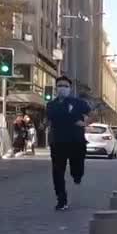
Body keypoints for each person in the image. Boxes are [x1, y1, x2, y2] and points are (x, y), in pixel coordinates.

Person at [46, 76, 91, 211]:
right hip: (58, 143)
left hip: (76, 142)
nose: (62, 88)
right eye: (60, 85)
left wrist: (84, 123)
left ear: (70, 88)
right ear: (56, 88)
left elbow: (91, 113)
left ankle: (77, 176)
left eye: (65, 86)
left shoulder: (78, 103)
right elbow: (49, 121)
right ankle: (61, 200)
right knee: (57, 172)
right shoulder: (51, 105)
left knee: (77, 169)